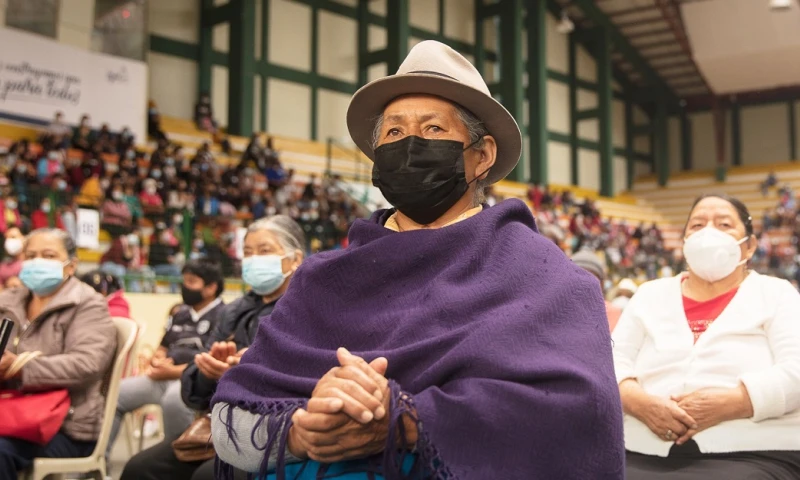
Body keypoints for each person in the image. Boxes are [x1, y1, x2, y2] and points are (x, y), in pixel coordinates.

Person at [211, 40, 623, 479]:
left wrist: (405, 419)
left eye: (432, 130)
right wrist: (300, 432)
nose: (409, 146)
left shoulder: (543, 276)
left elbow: (580, 413)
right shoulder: (323, 279)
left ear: (481, 156)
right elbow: (232, 418)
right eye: (393, 133)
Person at [613, 194, 800, 479]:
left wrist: (733, 402)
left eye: (724, 224)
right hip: (641, 448)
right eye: (697, 225)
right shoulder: (649, 294)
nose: (709, 232)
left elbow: (795, 371)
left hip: (753, 451)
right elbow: (611, 362)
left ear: (748, 246)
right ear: (685, 242)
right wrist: (642, 404)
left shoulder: (777, 294)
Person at [120, 216, 306, 480]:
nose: (254, 259)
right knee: (140, 469)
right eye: (248, 252)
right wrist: (208, 372)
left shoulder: (305, 308)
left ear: (295, 258)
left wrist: (245, 369)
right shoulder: (233, 311)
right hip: (219, 424)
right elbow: (192, 391)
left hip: (272, 425)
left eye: (264, 251)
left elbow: (302, 376)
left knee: (208, 477)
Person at [0, 228, 117, 478]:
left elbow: (87, 363)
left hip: (66, 425)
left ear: (71, 265)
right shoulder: (7, 301)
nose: (37, 261)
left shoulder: (88, 304)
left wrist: (20, 367)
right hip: (11, 410)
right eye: (30, 255)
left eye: (49, 255)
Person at [107, 259, 226, 454]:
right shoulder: (181, 313)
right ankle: (95, 465)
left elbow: (215, 362)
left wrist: (175, 372)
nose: (184, 287)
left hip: (195, 382)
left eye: (191, 282)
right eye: (184, 281)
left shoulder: (225, 315)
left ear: (211, 287)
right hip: (162, 377)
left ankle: (177, 461)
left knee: (173, 401)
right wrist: (157, 360)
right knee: (116, 393)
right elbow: (162, 347)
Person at [572, 248, 622, 332]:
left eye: (590, 278)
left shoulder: (612, 313)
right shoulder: (555, 312)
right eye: (578, 277)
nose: (583, 283)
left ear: (601, 284)